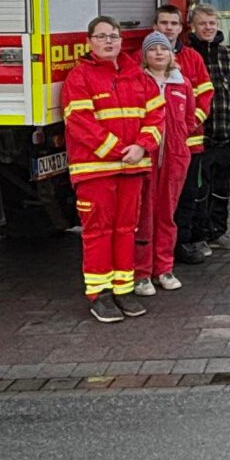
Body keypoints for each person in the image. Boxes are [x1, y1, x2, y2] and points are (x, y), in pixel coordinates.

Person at [62, 16, 162, 321]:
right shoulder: (80, 77)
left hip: (132, 168)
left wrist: (143, 146)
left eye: (114, 37)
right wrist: (121, 151)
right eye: (102, 36)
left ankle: (123, 289)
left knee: (125, 230)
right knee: (98, 232)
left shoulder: (139, 76)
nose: (109, 42)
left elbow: (157, 116)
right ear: (90, 41)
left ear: (122, 41)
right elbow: (80, 123)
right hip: (96, 170)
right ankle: (100, 294)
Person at [179, 3, 230, 258]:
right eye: (202, 24)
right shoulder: (187, 57)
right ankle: (198, 236)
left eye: (212, 23)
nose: (208, 28)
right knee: (199, 191)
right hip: (200, 138)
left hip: (226, 136)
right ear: (193, 27)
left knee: (222, 188)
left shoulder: (228, 57)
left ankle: (218, 232)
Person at [134, 31, 200, 291]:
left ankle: (164, 268)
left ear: (171, 54)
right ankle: (141, 272)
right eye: (153, 49)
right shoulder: (138, 81)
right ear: (145, 55)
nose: (159, 53)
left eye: (163, 49)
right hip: (146, 158)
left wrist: (180, 140)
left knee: (166, 215)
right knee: (144, 215)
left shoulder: (181, 83)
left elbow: (190, 119)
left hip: (174, 157)